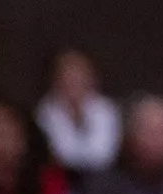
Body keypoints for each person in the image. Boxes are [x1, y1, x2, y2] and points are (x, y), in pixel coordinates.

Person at [35, 49, 120, 177]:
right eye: (67, 74)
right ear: (55, 79)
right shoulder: (45, 112)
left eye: (79, 74)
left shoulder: (106, 109)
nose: (73, 79)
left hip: (102, 180)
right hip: (60, 179)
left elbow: (103, 155)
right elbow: (62, 155)